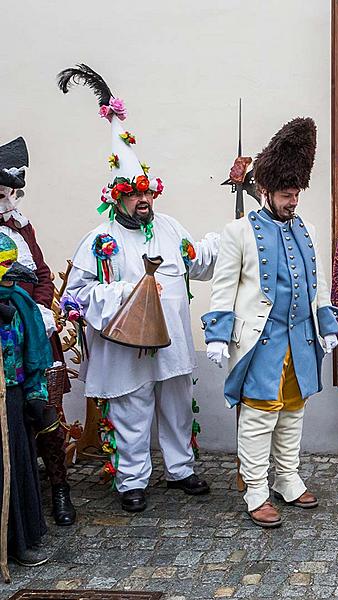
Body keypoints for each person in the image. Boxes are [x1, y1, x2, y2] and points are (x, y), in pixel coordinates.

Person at [59, 64, 219, 513]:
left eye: (149, 193)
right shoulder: (98, 239)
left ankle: (181, 469)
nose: (144, 200)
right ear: (117, 196)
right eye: (135, 193)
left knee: (175, 404)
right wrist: (123, 297)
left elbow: (197, 260)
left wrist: (231, 239)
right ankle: (131, 480)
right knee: (131, 410)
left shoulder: (168, 228)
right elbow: (77, 293)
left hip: (169, 340)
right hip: (125, 342)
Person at [202, 117, 338, 529]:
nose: (293, 201)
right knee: (260, 414)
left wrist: (327, 324)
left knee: (294, 410)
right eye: (285, 194)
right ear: (265, 191)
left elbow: (319, 284)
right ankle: (256, 490)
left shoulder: (310, 230)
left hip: (300, 338)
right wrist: (217, 336)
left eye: (296, 194)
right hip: (260, 340)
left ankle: (288, 478)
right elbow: (223, 288)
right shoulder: (238, 232)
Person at [0, 136, 76, 525]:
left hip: (38, 334)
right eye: (5, 191)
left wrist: (42, 307)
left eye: (12, 192)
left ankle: (60, 489)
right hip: (4, 339)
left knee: (49, 411)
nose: (11, 199)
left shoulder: (23, 229)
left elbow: (43, 274)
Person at [0, 233, 54, 566]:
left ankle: (17, 544)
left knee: (15, 466)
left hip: (11, 397)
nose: (10, 271)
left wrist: (36, 394)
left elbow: (34, 354)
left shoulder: (20, 304)